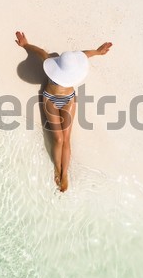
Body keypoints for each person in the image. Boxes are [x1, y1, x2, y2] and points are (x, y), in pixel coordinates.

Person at [15, 31, 112, 192]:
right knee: (58, 139)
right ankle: (56, 168)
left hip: (68, 100)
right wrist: (25, 45)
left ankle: (64, 173)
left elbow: (84, 55)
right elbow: (40, 52)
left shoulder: (74, 63)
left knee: (67, 138)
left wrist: (98, 51)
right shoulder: (50, 61)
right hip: (50, 99)